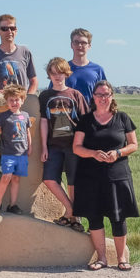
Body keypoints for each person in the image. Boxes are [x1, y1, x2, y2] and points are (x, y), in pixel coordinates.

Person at [72, 80, 139, 271]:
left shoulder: (122, 118)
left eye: (106, 94)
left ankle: (121, 258)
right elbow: (76, 147)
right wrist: (93, 154)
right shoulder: (85, 120)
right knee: (94, 217)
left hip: (117, 175)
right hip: (90, 176)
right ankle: (101, 258)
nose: (103, 98)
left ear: (112, 96)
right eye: (99, 95)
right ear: (93, 97)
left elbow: (134, 144)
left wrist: (117, 153)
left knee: (118, 217)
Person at [38, 57, 90, 231]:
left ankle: (74, 219)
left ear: (66, 73)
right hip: (53, 145)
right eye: (53, 73)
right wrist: (44, 147)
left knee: (72, 181)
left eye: (60, 72)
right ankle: (71, 210)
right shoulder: (45, 95)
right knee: (49, 179)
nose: (57, 76)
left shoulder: (75, 95)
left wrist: (84, 146)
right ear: (49, 75)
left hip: (73, 145)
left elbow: (85, 122)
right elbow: (44, 121)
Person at [0, 83, 31, 216]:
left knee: (16, 179)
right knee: (6, 177)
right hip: (8, 153)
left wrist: (30, 147)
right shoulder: (3, 116)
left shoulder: (25, 116)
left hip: (22, 154)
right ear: (7, 101)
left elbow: (27, 132)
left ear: (22, 100)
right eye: (11, 100)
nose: (14, 102)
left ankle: (12, 205)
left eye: (17, 99)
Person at [0, 14, 38, 93]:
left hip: (20, 103)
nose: (9, 31)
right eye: (5, 29)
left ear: (16, 31)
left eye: (12, 28)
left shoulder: (25, 52)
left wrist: (28, 99)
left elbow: (34, 81)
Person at [62, 27, 106, 104]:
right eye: (76, 42)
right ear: (71, 45)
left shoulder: (98, 70)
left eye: (83, 43)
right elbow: (53, 93)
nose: (79, 45)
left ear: (89, 46)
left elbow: (104, 95)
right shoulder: (62, 68)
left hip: (90, 115)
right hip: (66, 114)